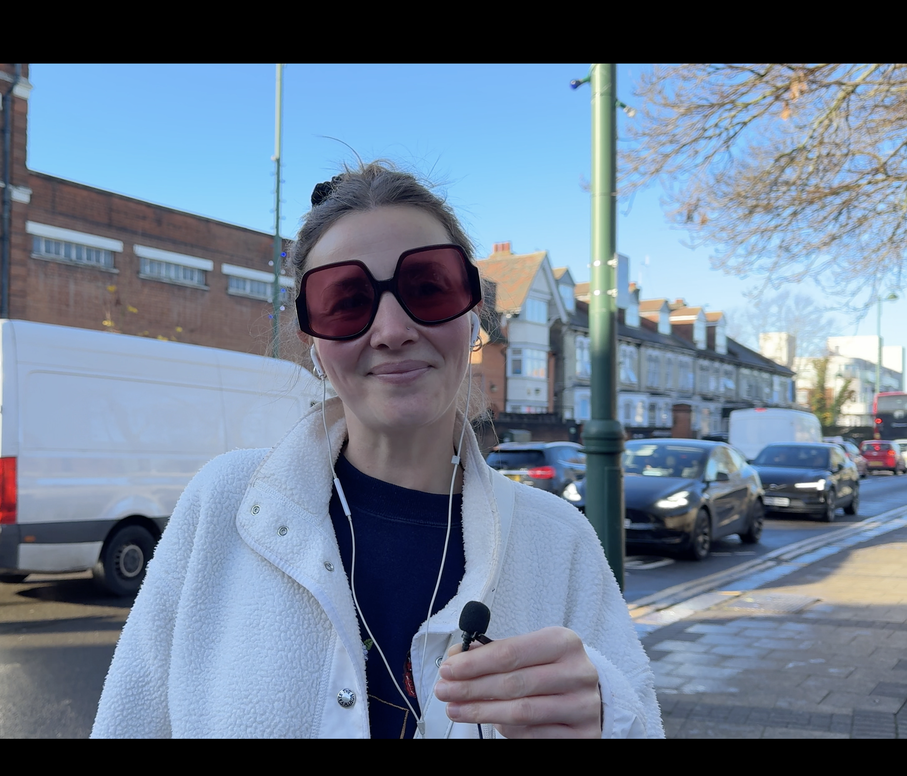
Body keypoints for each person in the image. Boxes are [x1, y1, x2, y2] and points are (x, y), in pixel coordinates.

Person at [91, 161, 663, 739]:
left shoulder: (561, 543)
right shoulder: (223, 506)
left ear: (472, 315)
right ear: (313, 341)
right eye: (345, 301)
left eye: (428, 288)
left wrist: (609, 722)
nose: (392, 330)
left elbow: (639, 721)